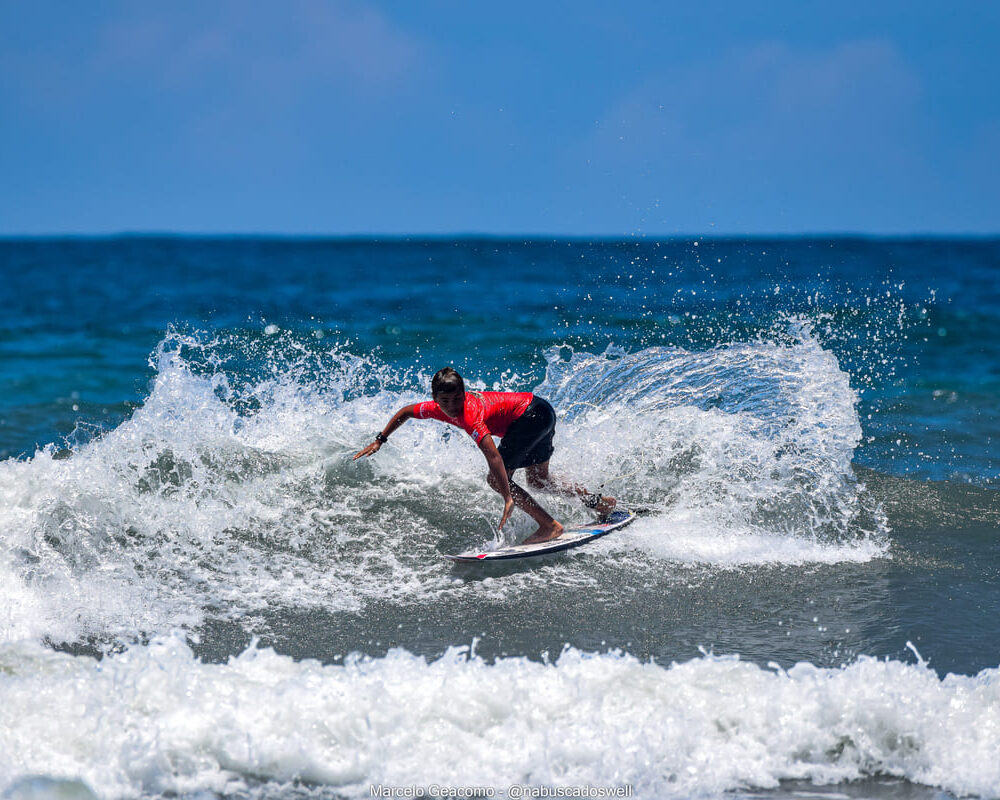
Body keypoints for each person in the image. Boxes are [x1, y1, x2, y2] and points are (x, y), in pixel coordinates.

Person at [353, 367, 616, 544]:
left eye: (457, 399)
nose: (452, 407)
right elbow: (405, 412)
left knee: (495, 479)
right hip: (540, 410)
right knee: (538, 480)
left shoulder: (471, 415)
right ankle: (598, 503)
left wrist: (507, 496)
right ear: (434, 398)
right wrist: (380, 440)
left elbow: (493, 457)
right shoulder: (432, 408)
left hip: (531, 417)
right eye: (445, 402)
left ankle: (549, 526)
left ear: (464, 394)